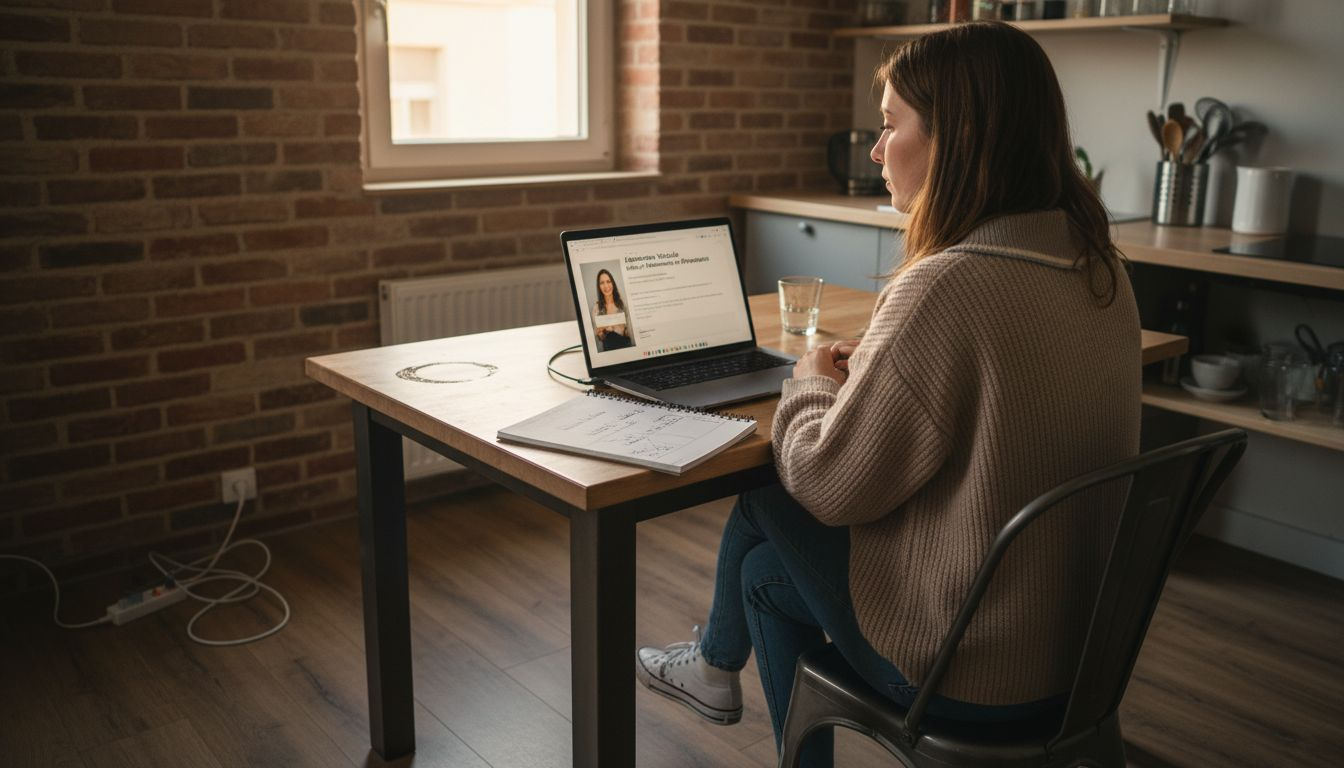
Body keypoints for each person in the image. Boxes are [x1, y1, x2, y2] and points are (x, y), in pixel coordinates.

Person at [634, 21, 1140, 767]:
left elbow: (827, 487)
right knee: (760, 578)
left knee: (769, 494)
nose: (875, 151)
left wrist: (807, 384)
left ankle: (713, 670)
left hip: (969, 670)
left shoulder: (946, 285)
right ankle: (712, 666)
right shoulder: (1100, 267)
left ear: (956, 140)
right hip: (1077, 655)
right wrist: (882, 368)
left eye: (889, 125)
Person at [592, 268, 633, 351]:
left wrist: (624, 330)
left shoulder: (623, 305)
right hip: (609, 351)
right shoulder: (597, 308)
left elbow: (631, 333)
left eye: (608, 281)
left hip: (626, 348)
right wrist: (600, 332)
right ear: (599, 286)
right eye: (602, 283)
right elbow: (600, 338)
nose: (606, 286)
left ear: (613, 283)